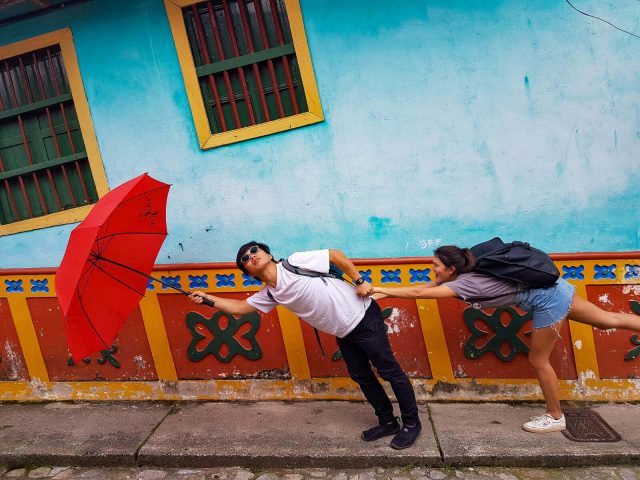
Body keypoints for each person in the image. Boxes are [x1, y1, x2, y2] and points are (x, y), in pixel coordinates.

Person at [372, 245, 640, 434]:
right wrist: (385, 294)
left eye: (436, 266)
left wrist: (380, 288)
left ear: (451, 269)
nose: (433, 270)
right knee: (609, 319)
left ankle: (555, 416)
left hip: (547, 300)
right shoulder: (468, 271)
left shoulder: (466, 283)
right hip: (555, 289)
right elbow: (429, 287)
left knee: (538, 359)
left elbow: (421, 292)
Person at [188, 241, 421, 449]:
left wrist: (359, 280)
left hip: (364, 316)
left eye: (254, 250)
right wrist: (208, 299)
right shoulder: (270, 294)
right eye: (245, 259)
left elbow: (335, 255)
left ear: (268, 254)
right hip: (344, 332)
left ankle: (412, 424)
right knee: (362, 377)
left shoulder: (294, 262)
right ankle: (388, 422)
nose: (251, 256)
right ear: (248, 271)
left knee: (389, 371)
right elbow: (240, 308)